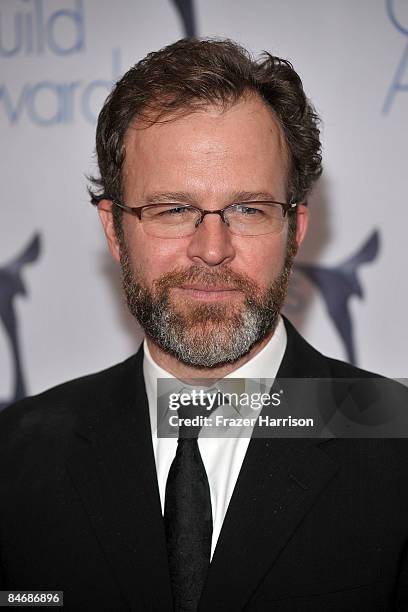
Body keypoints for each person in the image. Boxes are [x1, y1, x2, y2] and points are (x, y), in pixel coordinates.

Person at [0, 37, 407, 612]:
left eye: (248, 209)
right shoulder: (16, 457)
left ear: (295, 228)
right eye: (172, 210)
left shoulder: (397, 442)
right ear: (114, 231)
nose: (211, 249)